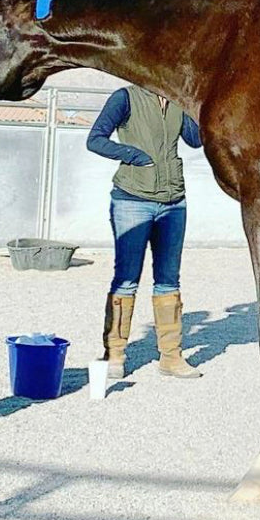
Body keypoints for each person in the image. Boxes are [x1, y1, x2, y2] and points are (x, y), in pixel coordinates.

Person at [86, 84, 203, 380]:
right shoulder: (125, 97)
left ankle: (171, 356)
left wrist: (194, 101)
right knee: (126, 278)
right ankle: (114, 354)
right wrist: (133, 155)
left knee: (168, 279)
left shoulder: (177, 98)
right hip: (131, 200)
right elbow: (95, 140)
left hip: (173, 201)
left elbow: (195, 140)